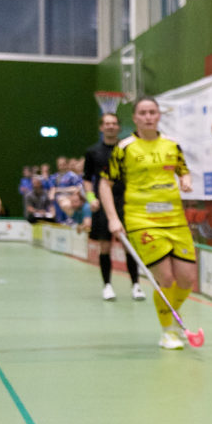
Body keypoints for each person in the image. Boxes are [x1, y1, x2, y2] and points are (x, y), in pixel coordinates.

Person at [99, 97, 195, 350]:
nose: (148, 117)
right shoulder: (124, 148)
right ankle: (168, 331)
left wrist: (185, 180)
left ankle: (172, 312)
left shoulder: (172, 145)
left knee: (187, 279)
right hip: (142, 220)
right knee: (166, 278)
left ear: (159, 115)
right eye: (143, 113)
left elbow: (183, 170)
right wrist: (113, 218)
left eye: (152, 112)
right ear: (135, 118)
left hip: (175, 219)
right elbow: (105, 184)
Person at [84, 112, 144, 301]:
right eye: (107, 123)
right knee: (105, 246)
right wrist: (91, 198)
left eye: (114, 123)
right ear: (101, 127)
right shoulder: (93, 152)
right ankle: (107, 286)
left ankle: (136, 286)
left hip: (127, 203)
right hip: (103, 205)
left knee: (129, 246)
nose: (110, 126)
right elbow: (87, 179)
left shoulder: (128, 148)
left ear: (118, 127)